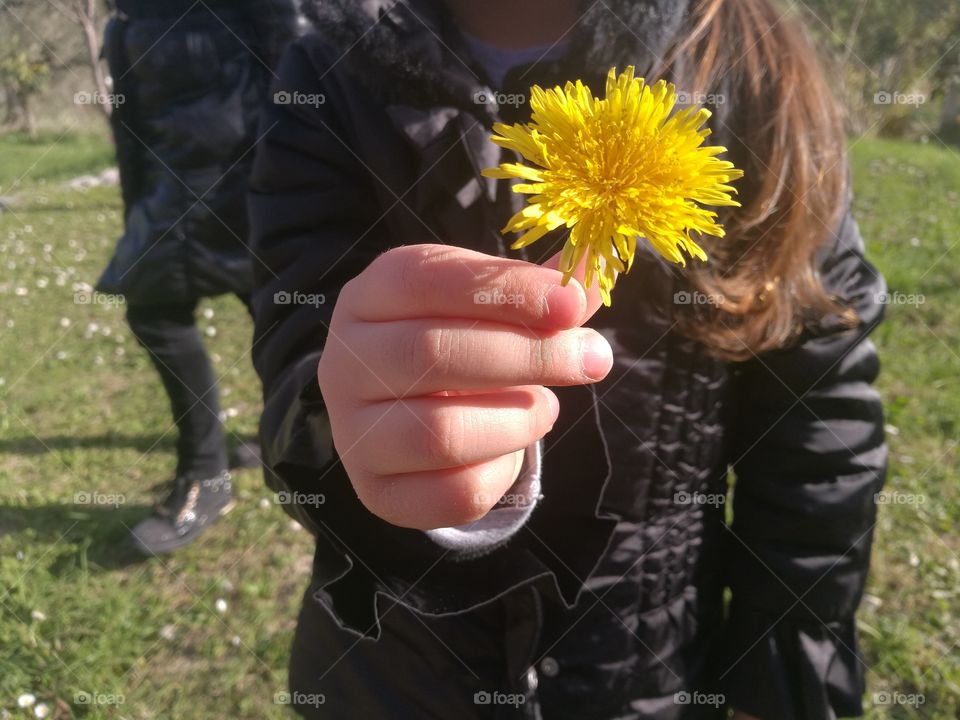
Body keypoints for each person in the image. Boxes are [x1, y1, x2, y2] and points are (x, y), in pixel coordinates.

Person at [249, 0, 888, 717]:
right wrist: (348, 430)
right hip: (396, 671)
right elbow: (294, 360)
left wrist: (783, 683)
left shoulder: (749, 63)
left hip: (651, 671)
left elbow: (820, 430)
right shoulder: (329, 67)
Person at [96, 0, 298, 554]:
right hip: (177, 167)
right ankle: (284, 435)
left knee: (159, 308)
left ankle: (212, 470)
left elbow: (295, 57)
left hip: (228, 169)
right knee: (266, 304)